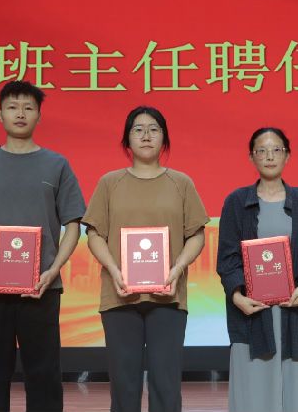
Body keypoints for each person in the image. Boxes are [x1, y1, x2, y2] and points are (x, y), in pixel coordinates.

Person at [0, 80, 86, 412]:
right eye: (12, 107)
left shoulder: (57, 164)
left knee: (44, 373)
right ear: (0, 115)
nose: (20, 113)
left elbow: (73, 224)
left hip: (42, 287)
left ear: (39, 115)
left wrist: (53, 270)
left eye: (28, 107)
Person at [82, 106, 208, 412]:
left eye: (154, 129)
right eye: (138, 130)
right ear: (127, 139)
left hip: (168, 296)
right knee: (124, 384)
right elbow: (95, 233)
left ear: (164, 138)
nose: (146, 135)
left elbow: (196, 234)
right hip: (119, 295)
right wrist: (114, 270)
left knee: (166, 383)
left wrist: (177, 268)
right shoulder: (109, 183)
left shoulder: (181, 182)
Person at [216, 127, 298, 412]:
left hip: (295, 312)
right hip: (252, 314)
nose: (269, 156)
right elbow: (227, 258)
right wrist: (237, 296)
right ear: (251, 157)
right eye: (261, 150)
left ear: (287, 156)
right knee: (252, 395)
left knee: (296, 394)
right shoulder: (236, 202)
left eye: (276, 149)